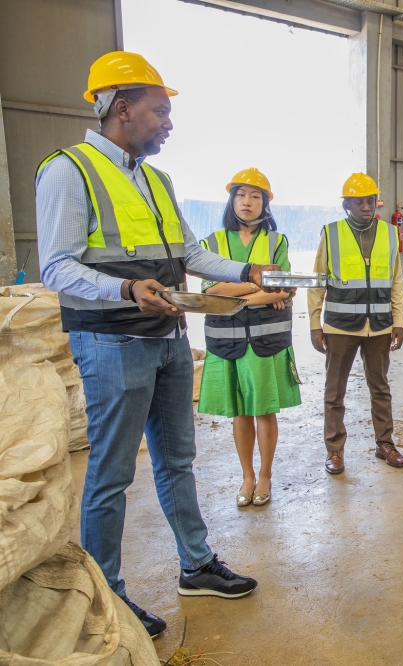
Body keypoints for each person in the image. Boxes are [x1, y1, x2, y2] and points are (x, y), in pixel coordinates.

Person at [35, 51, 274, 638]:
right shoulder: (70, 170)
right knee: (112, 476)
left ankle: (195, 565)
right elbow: (57, 268)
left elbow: (190, 257)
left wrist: (250, 268)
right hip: (112, 342)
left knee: (177, 461)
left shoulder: (156, 179)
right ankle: (107, 596)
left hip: (168, 339)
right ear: (122, 108)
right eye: (159, 111)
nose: (168, 122)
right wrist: (123, 287)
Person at [198, 168, 301, 508]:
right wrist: (258, 287)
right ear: (232, 200)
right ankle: (247, 476)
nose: (248, 202)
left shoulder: (277, 241)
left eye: (256, 196)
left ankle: (266, 475)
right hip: (227, 341)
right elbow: (208, 290)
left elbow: (284, 287)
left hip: (264, 341)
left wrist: (233, 296)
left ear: (265, 204)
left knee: (264, 410)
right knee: (240, 412)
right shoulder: (211, 243)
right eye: (241, 194)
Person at [309, 173, 403, 475]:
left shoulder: (390, 233)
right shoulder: (332, 233)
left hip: (378, 326)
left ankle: (385, 443)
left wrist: (399, 322)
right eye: (358, 201)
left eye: (369, 201)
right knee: (334, 391)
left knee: (380, 387)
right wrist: (315, 323)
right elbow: (317, 282)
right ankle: (335, 450)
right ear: (346, 204)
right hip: (339, 326)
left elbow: (396, 282)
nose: (366, 206)